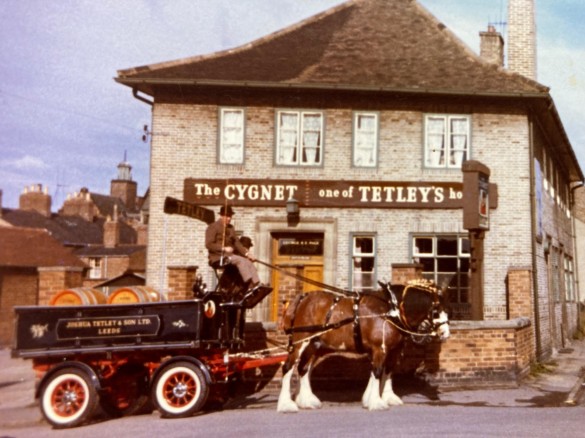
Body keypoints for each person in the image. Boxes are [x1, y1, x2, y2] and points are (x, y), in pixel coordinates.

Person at [205, 205, 261, 290]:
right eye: (227, 216)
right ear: (221, 216)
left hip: (229, 256)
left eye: (230, 216)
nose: (229, 218)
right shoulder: (213, 227)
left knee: (247, 261)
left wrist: (247, 254)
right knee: (240, 260)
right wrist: (223, 248)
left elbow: (237, 243)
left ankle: (256, 283)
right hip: (218, 257)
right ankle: (249, 284)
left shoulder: (231, 228)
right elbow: (208, 244)